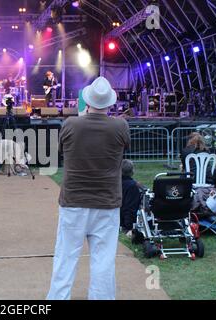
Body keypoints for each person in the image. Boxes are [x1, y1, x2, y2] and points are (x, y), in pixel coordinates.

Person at [47, 76, 130, 300]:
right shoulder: (120, 126)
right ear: (110, 102)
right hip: (107, 202)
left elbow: (60, 151)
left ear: (87, 100)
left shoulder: (71, 124)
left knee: (65, 259)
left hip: (74, 202)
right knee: (103, 262)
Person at [120, 159, 141, 236]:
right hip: (126, 222)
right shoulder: (132, 186)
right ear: (132, 171)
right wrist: (129, 227)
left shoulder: (116, 183)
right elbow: (130, 207)